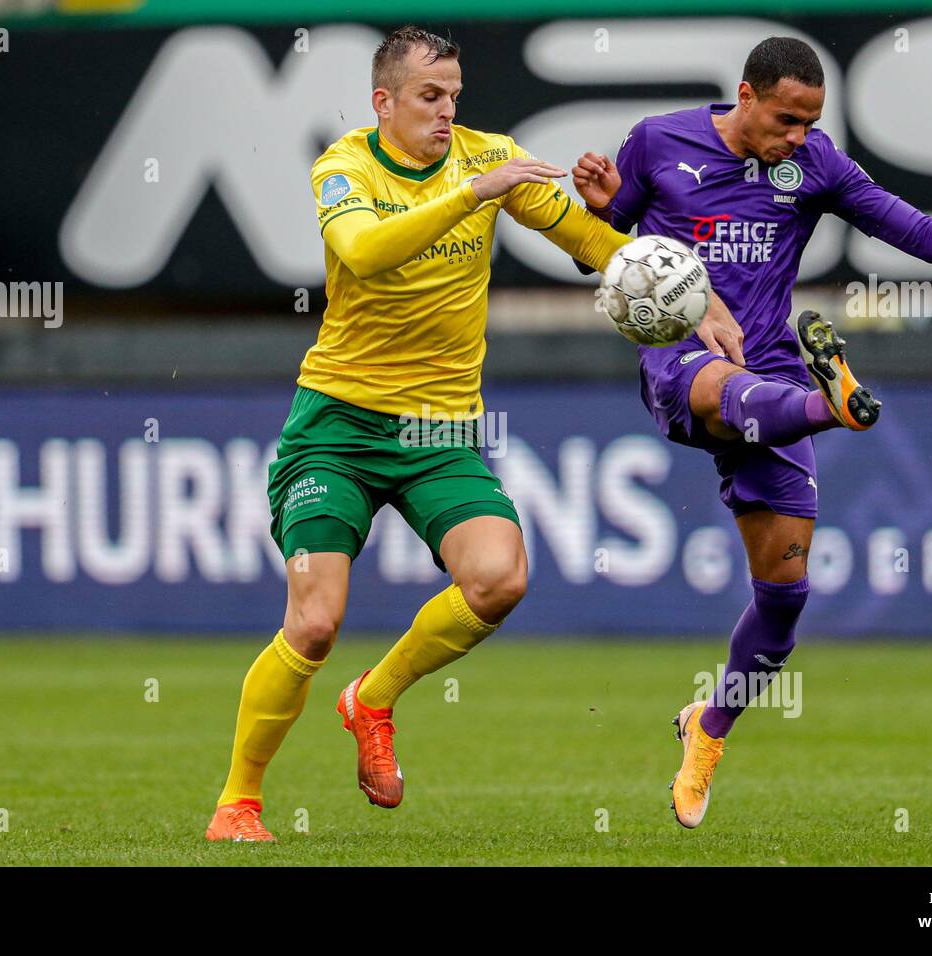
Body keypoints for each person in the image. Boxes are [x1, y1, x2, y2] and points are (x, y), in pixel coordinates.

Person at [571, 35, 932, 829]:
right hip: (679, 356)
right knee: (720, 386)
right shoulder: (656, 141)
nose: (798, 136)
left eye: (811, 120)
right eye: (786, 119)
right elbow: (602, 252)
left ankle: (707, 730)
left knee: (784, 601)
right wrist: (603, 207)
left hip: (772, 364)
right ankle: (830, 404)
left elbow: (917, 235)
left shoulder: (816, 166)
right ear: (745, 96)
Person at [206, 24, 637, 842]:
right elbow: (363, 252)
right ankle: (239, 802)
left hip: (436, 430)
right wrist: (474, 194)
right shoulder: (347, 167)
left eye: (454, 98)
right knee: (315, 620)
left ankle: (372, 697)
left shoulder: (490, 154)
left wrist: (686, 297)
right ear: (385, 102)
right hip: (335, 424)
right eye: (429, 97)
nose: (446, 113)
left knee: (500, 578)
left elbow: (587, 239)